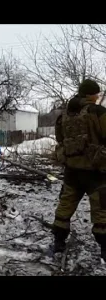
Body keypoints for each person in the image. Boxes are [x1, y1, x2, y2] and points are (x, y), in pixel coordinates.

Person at [52, 79, 106, 260]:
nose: (98, 96)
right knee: (102, 211)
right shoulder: (98, 112)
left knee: (65, 207)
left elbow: (60, 139)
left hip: (72, 171)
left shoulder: (65, 114)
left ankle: (58, 243)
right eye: (96, 93)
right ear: (91, 95)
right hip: (96, 172)